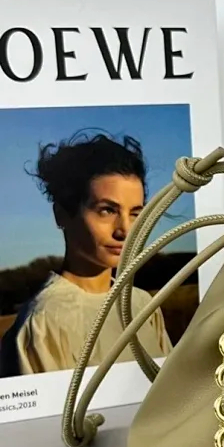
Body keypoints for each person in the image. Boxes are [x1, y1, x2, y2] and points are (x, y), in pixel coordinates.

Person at [0, 131, 173, 377]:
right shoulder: (42, 322)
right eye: (107, 210)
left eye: (135, 213)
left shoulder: (143, 305)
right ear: (62, 214)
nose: (125, 230)